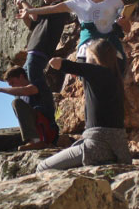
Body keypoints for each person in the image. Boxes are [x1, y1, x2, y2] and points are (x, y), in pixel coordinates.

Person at [36, 38, 131, 171]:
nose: (86, 60)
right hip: (117, 147)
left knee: (42, 167)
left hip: (97, 145)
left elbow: (57, 63)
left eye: (88, 57)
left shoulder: (94, 71)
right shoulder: (115, 77)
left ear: (95, 57)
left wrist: (51, 60)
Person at [20, 0, 131, 69]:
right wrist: (30, 11)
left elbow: (127, 28)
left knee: (111, 81)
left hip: (110, 50)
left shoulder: (116, 1)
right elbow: (55, 8)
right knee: (89, 80)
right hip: (86, 50)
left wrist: (123, 22)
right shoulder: (80, 0)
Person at [14, 0, 69, 147]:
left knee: (35, 90)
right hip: (33, 55)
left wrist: (23, 0)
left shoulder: (58, 8)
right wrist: (23, 11)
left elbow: (35, 12)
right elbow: (32, 24)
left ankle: (46, 132)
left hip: (38, 54)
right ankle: (35, 133)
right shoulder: (46, 14)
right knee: (23, 94)